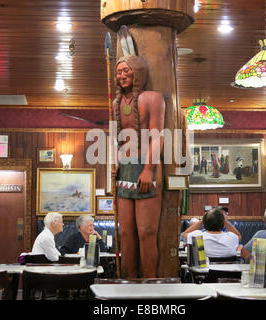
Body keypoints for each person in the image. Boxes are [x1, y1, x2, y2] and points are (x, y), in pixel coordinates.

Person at [113, 54, 165, 278]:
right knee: (125, 231)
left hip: (146, 165)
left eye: (127, 70)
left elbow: (157, 136)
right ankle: (129, 280)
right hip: (125, 166)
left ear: (138, 73)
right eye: (119, 71)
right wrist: (115, 166)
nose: (122, 75)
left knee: (146, 231)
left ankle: (150, 281)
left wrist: (148, 169)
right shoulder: (115, 103)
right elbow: (119, 139)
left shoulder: (152, 98)